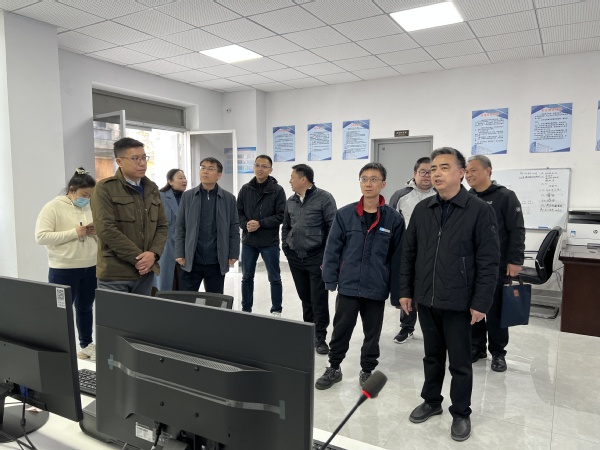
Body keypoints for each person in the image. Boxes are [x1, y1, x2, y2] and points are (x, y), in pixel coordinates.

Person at [398, 147, 499, 442]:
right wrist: (406, 290)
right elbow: (409, 253)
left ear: (461, 173)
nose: (436, 173)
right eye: (433, 168)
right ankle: (431, 401)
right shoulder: (423, 210)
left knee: (460, 362)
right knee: (431, 356)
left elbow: (489, 261)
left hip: (460, 301)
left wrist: (481, 302)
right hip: (427, 298)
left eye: (444, 167)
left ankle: (461, 412)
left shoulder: (479, 210)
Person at [316, 163, 404, 389]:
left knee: (372, 333)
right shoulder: (345, 214)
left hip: (376, 286)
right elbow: (332, 249)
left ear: (383, 184)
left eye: (374, 179)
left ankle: (367, 370)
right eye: (364, 179)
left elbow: (398, 258)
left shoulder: (393, 219)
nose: (368, 183)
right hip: (349, 284)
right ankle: (334, 368)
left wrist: (398, 293)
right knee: (341, 329)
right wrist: (330, 278)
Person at [465, 155, 525, 372]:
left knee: (496, 311)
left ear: (488, 171)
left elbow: (516, 230)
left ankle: (498, 352)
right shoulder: (467, 197)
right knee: (473, 307)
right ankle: (477, 347)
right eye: (466, 171)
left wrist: (515, 260)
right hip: (471, 265)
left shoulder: (505, 196)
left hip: (497, 265)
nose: (468, 175)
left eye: (473, 170)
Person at [91, 137, 168, 296]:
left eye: (144, 157)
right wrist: (140, 259)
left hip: (145, 273)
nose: (142, 163)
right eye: (135, 158)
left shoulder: (151, 188)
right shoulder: (105, 188)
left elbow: (162, 226)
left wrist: (153, 254)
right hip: (116, 274)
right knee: (115, 313)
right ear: (119, 161)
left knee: (141, 313)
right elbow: (106, 229)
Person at [35, 168, 98, 361]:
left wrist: (96, 232)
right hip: (63, 268)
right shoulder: (53, 207)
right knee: (60, 312)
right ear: (72, 190)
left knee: (85, 308)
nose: (87, 199)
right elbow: (41, 237)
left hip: (91, 266)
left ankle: (86, 346)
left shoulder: (91, 206)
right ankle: (57, 350)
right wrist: (74, 233)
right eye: (84, 195)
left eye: (90, 195)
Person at [282, 164, 337, 354]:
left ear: (303, 179)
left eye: (292, 177)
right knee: (305, 298)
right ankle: (309, 332)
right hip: (295, 258)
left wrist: (326, 256)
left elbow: (333, 227)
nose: (290, 181)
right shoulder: (290, 201)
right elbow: (286, 226)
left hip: (316, 258)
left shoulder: (324, 198)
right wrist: (286, 248)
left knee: (318, 299)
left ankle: (320, 337)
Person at [388, 156, 436, 344]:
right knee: (407, 288)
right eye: (423, 172)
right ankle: (406, 327)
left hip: (434, 251)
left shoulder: (440, 193)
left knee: (431, 288)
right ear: (414, 173)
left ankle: (434, 330)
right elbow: (391, 222)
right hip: (407, 250)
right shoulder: (401, 195)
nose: (427, 176)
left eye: (431, 172)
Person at [174, 157, 239, 294]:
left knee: (215, 300)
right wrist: (179, 252)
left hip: (216, 260)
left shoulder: (229, 198)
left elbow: (234, 227)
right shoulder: (188, 196)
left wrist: (233, 252)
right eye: (203, 168)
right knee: (186, 299)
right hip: (192, 259)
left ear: (219, 175)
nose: (205, 171)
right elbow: (180, 226)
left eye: (210, 169)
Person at [237, 155, 286, 315]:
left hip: (269, 242)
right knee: (246, 277)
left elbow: (282, 215)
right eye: (257, 165)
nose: (260, 169)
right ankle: (246, 309)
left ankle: (276, 310)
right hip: (249, 241)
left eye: (264, 166)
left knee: (274, 277)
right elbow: (238, 212)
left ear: (270, 170)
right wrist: (245, 224)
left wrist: (260, 223)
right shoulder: (245, 189)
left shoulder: (277, 190)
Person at [154, 169, 187, 291]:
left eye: (185, 178)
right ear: (170, 181)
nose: (184, 180)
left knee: (183, 283)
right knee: (166, 282)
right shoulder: (160, 196)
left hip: (184, 246)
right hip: (166, 245)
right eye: (180, 178)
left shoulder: (188, 197)